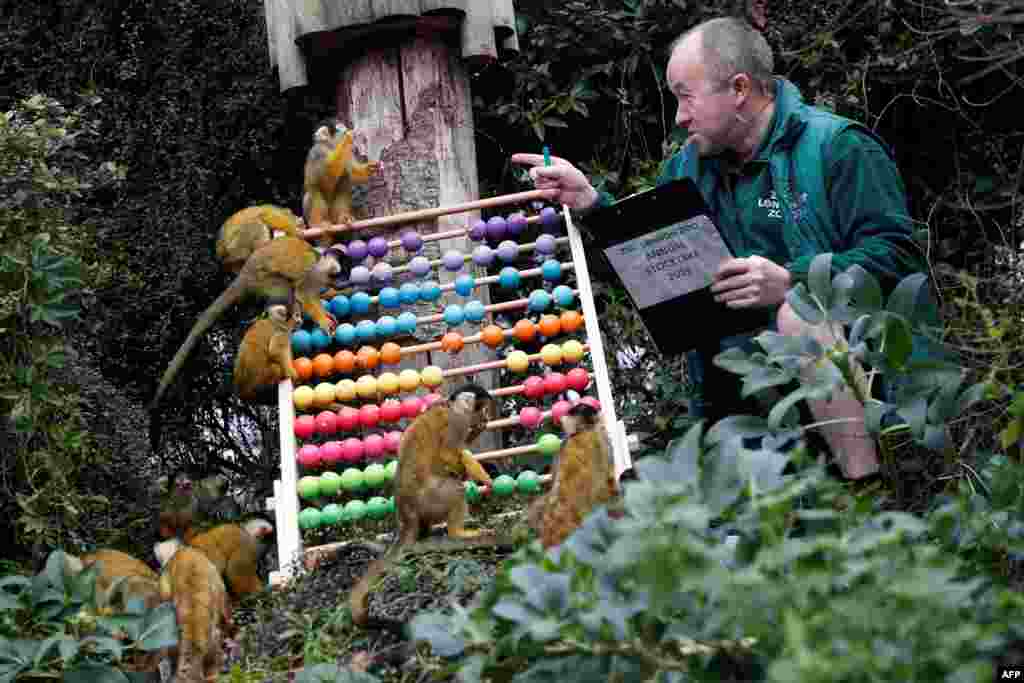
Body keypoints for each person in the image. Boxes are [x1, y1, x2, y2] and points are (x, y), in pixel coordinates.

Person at [512, 17, 929, 481]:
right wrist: (591, 205)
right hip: (740, 405)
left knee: (799, 312)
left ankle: (867, 489)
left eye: (685, 96)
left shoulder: (839, 147)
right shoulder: (687, 168)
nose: (679, 116)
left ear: (738, 89)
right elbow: (653, 271)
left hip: (858, 385)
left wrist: (792, 280)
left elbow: (899, 258)